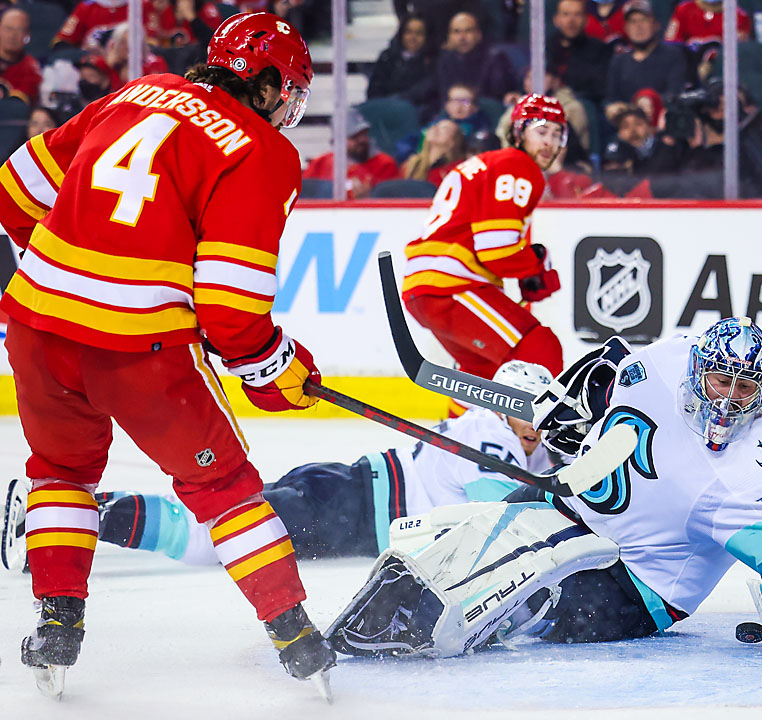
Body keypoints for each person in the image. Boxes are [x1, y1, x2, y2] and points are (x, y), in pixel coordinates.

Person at [0, 12, 335, 691]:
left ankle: (57, 622)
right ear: (267, 83)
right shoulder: (263, 151)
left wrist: (68, 274)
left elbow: (13, 192)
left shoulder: (136, 90)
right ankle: (295, 633)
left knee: (60, 471)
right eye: (289, 89)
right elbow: (233, 314)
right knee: (222, 485)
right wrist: (276, 368)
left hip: (36, 325)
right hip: (138, 347)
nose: (288, 106)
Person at [327, 317, 762, 662]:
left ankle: (418, 628)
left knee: (519, 589)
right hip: (570, 505)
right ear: (698, 367)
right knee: (466, 539)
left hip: (633, 587)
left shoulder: (757, 463)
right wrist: (575, 410)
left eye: (745, 387)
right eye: (721, 381)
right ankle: (377, 617)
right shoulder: (666, 360)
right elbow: (606, 373)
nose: (729, 399)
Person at [3, 361, 556, 571]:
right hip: (348, 505)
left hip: (345, 494)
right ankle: (57, 520)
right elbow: (504, 516)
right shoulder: (488, 435)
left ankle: (64, 527)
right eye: (529, 411)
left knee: (220, 528)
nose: (540, 423)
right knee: (212, 541)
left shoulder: (518, 442)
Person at [401, 93, 567, 417]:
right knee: (539, 347)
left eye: (557, 134)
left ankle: (454, 447)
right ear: (518, 132)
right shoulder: (518, 165)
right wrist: (537, 265)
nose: (550, 142)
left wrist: (527, 268)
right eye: (542, 131)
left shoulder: (488, 163)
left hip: (427, 288)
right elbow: (497, 251)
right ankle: (545, 447)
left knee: (483, 372)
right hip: (452, 285)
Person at [604, 0, 688, 113]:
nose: (638, 26)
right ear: (626, 28)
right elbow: (611, 99)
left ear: (656, 25)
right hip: (628, 123)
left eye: (644, 20)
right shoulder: (619, 61)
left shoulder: (672, 56)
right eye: (633, 21)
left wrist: (650, 102)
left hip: (664, 120)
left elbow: (674, 94)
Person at [302, 108, 400, 199]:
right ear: (336, 141)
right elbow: (302, 193)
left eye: (364, 134)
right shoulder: (320, 163)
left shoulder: (385, 164)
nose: (362, 140)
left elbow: (392, 203)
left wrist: (369, 197)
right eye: (354, 137)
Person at [434, 11, 516, 108]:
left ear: (478, 34)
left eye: (468, 31)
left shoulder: (494, 58)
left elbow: (495, 98)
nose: (462, 37)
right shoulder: (445, 59)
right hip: (451, 113)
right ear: (449, 37)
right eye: (456, 32)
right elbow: (441, 96)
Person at [366, 13, 437, 114]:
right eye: (408, 32)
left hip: (417, 115)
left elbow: (425, 93)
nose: (413, 37)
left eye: (419, 33)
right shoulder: (387, 56)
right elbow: (374, 90)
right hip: (384, 112)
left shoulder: (433, 62)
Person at [547, 0, 612, 107]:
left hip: (581, 104)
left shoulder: (599, 49)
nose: (571, 21)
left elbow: (599, 89)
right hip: (547, 101)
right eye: (565, 14)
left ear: (585, 20)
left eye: (577, 14)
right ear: (556, 20)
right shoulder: (546, 47)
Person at [401, 118, 467, 186]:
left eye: (445, 129)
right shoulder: (411, 164)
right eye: (436, 125)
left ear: (454, 141)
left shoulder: (457, 169)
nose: (436, 129)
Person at [0, 7, 42, 105]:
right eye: (8, 29)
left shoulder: (31, 68)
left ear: (27, 35)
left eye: (19, 30)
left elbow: (20, 107)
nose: (12, 36)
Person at [664, 0, 751, 45]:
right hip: (687, 65)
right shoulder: (683, 9)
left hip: (721, 67)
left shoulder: (738, 16)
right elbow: (671, 43)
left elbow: (740, 50)